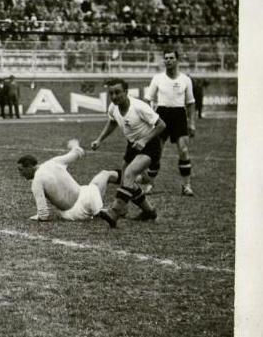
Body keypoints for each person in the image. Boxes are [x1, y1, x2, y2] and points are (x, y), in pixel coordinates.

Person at [90, 78, 164, 228]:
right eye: (111, 93)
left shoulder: (139, 107)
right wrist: (99, 140)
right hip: (132, 146)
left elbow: (161, 125)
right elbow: (112, 122)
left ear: (126, 92)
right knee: (126, 180)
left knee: (130, 173)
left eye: (118, 92)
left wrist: (144, 140)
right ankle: (149, 211)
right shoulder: (113, 108)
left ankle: (115, 211)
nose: (115, 96)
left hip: (150, 145)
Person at [18, 139, 120, 222]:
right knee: (105, 174)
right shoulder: (54, 162)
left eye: (21, 170)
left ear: (30, 166)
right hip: (88, 196)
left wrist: (36, 217)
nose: (21, 174)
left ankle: (100, 210)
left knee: (100, 178)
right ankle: (128, 186)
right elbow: (77, 153)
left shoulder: (37, 181)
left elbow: (44, 215)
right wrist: (74, 145)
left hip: (75, 213)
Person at [145, 49, 196, 196]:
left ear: (177, 60)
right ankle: (150, 184)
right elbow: (148, 99)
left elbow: (191, 103)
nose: (168, 60)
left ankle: (186, 186)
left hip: (179, 115)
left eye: (171, 58)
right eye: (166, 58)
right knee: (156, 152)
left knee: (184, 151)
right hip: (162, 115)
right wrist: (151, 117)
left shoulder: (185, 80)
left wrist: (192, 123)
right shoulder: (158, 78)